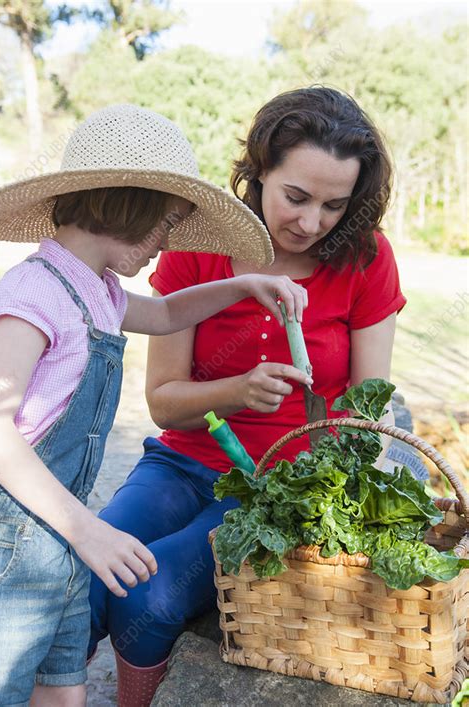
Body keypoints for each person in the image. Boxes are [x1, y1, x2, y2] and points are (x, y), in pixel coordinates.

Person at [88, 86, 407, 706]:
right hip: (182, 464)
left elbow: (369, 411)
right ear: (259, 171)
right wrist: (237, 391)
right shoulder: (201, 248)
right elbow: (163, 401)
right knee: (86, 573)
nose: (311, 222)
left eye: (334, 205)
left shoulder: (367, 259)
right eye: (295, 196)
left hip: (280, 492)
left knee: (148, 599)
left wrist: (328, 497)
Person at [0, 103, 309, 707]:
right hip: (14, 548)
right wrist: (89, 532)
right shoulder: (33, 293)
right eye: (166, 223)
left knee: (62, 684)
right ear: (126, 203)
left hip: (56, 537)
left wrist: (245, 285)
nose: (167, 245)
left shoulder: (102, 289)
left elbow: (165, 314)